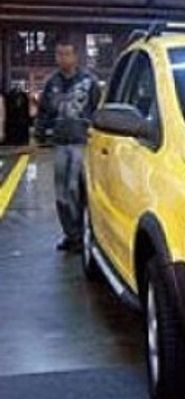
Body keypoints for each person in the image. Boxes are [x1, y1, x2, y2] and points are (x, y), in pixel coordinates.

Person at [35, 36, 101, 252]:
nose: (62, 58)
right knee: (61, 192)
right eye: (59, 54)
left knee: (76, 188)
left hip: (82, 143)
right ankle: (71, 235)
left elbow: (98, 110)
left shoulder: (89, 82)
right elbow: (43, 111)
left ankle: (83, 233)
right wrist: (39, 134)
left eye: (67, 54)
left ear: (75, 56)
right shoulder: (51, 83)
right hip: (61, 143)